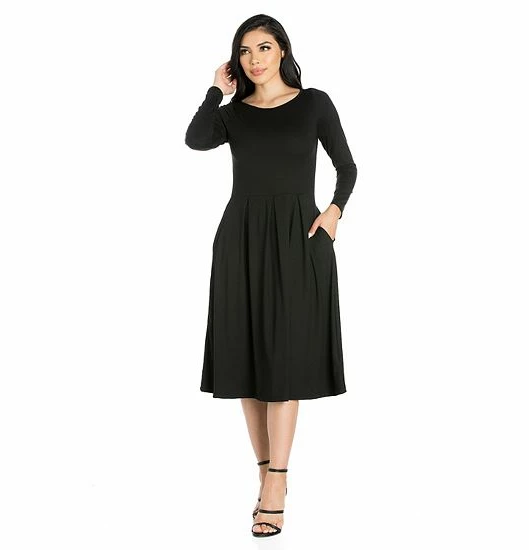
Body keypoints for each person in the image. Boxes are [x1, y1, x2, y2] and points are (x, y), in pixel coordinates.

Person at [184, 14, 358, 537]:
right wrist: (215, 91)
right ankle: (266, 476)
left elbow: (347, 167)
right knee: (246, 361)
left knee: (282, 361)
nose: (254, 59)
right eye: (244, 51)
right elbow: (195, 139)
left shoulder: (314, 104)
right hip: (239, 240)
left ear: (282, 50)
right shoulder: (233, 114)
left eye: (263, 47)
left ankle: (277, 483)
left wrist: (334, 212)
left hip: (297, 239)